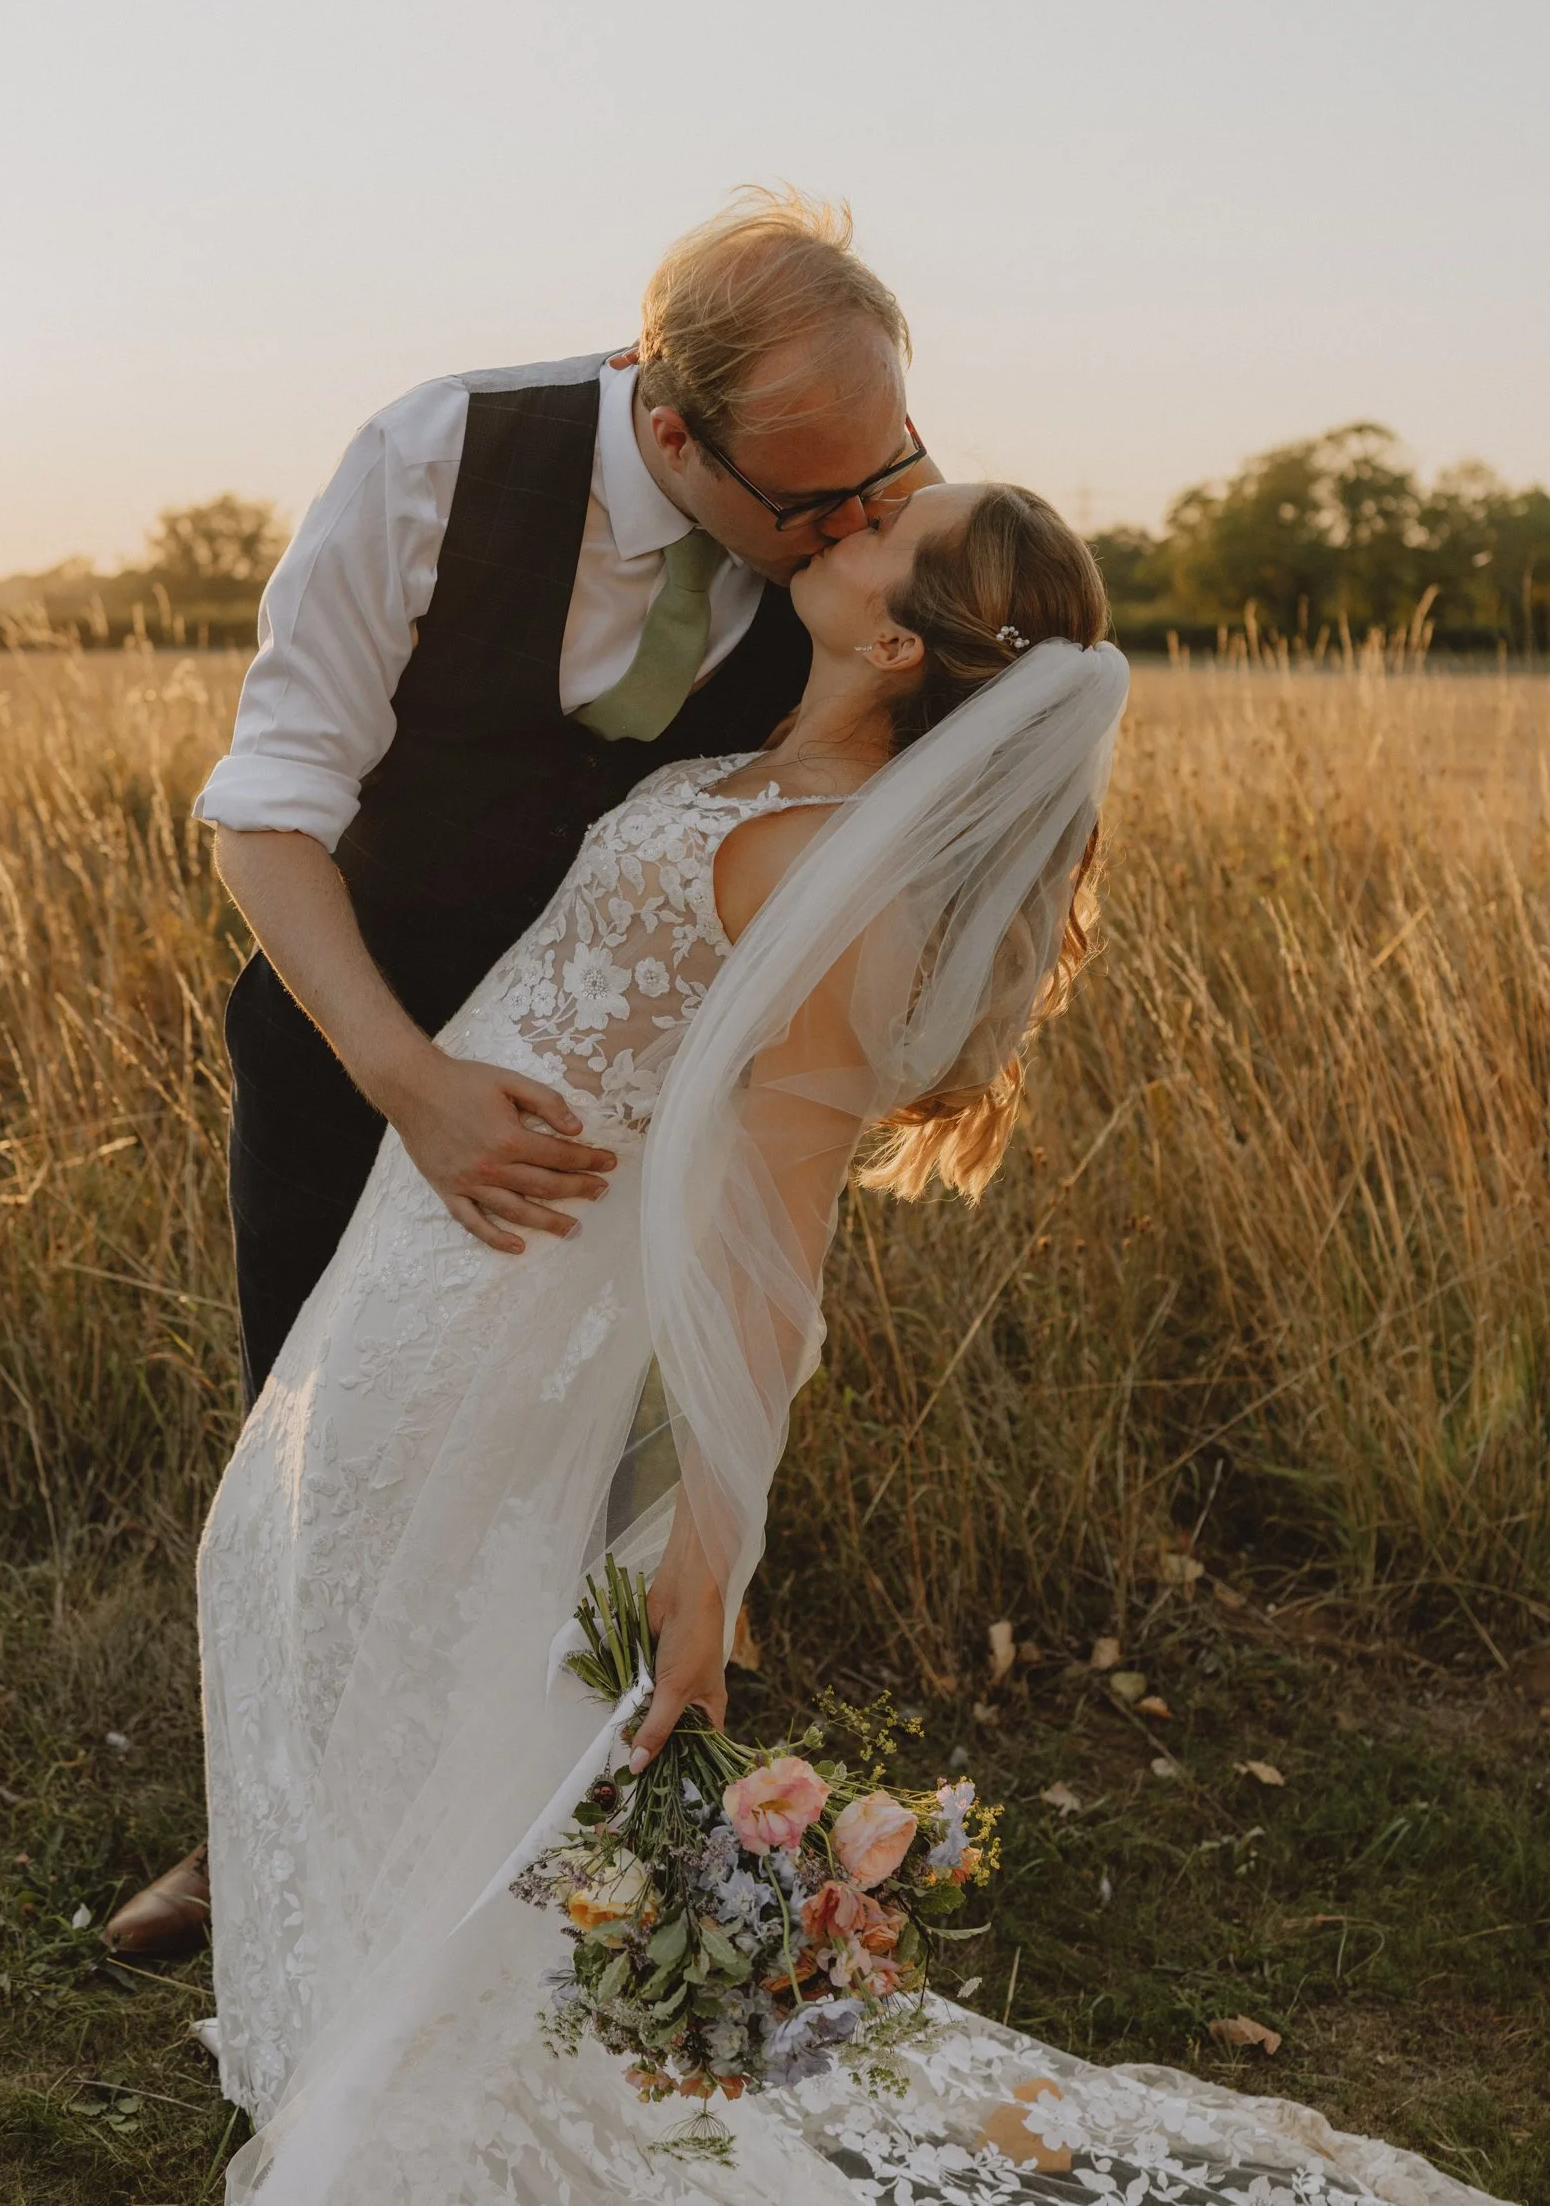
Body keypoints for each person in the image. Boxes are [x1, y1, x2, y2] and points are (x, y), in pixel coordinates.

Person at [197, 483, 1490, 2206]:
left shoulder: (849, 871)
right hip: (425, 1229)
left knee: (422, 1623)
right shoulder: (745, 748)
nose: (863, 511)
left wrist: (710, 1570)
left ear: (898, 637)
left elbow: (778, 1248)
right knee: (291, 1573)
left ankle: (446, 2041)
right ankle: (350, 1990)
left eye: (894, 528)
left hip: (523, 1299)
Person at [106, 188, 934, 1957]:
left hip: (632, 1112)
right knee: (323, 1444)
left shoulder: (858, 528)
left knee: (578, 1477)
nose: (862, 522)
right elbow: (266, 809)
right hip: (362, 1041)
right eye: (809, 501)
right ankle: (260, 1831)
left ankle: (553, 1837)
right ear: (666, 421)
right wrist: (409, 1078)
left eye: (888, 472)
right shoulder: (435, 460)